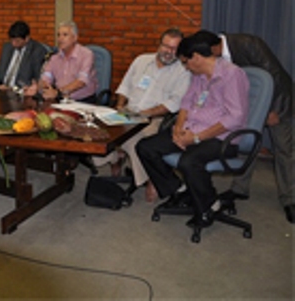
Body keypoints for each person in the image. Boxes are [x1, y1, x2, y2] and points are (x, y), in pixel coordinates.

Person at [136, 34, 249, 228]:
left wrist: (196, 138)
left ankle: (208, 206)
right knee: (146, 148)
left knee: (188, 162)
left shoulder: (232, 75)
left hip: (221, 137)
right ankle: (180, 190)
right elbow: (186, 102)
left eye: (185, 62)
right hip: (191, 130)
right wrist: (178, 128)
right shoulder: (199, 75)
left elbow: (235, 117)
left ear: (196, 57)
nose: (186, 67)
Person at [194, 30, 294, 223]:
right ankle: (240, 189)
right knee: (246, 143)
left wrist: (271, 109)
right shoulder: (217, 57)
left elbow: (274, 75)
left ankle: (290, 199)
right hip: (248, 103)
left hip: (278, 101)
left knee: (285, 150)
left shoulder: (250, 43)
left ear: (214, 47)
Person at [93, 28, 191, 202]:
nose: (169, 52)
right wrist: (120, 106)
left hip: (155, 118)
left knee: (134, 140)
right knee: (99, 131)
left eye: (174, 48)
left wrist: (145, 114)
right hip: (128, 112)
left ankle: (150, 177)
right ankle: (115, 158)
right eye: (166, 46)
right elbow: (125, 86)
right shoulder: (141, 60)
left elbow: (174, 103)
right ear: (159, 44)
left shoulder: (183, 71)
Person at [24, 21, 97, 102]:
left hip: (83, 101)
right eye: (58, 35)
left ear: (75, 38)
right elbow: (46, 77)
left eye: (65, 35)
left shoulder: (86, 55)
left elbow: (81, 81)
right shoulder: (54, 58)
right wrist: (39, 87)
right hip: (61, 100)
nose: (60, 39)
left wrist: (58, 92)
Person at [0, 20, 48, 89]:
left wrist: (12, 88)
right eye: (11, 40)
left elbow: (37, 78)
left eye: (17, 41)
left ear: (27, 38)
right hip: (1, 89)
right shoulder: (7, 47)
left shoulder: (37, 51)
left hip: (20, 91)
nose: (13, 44)